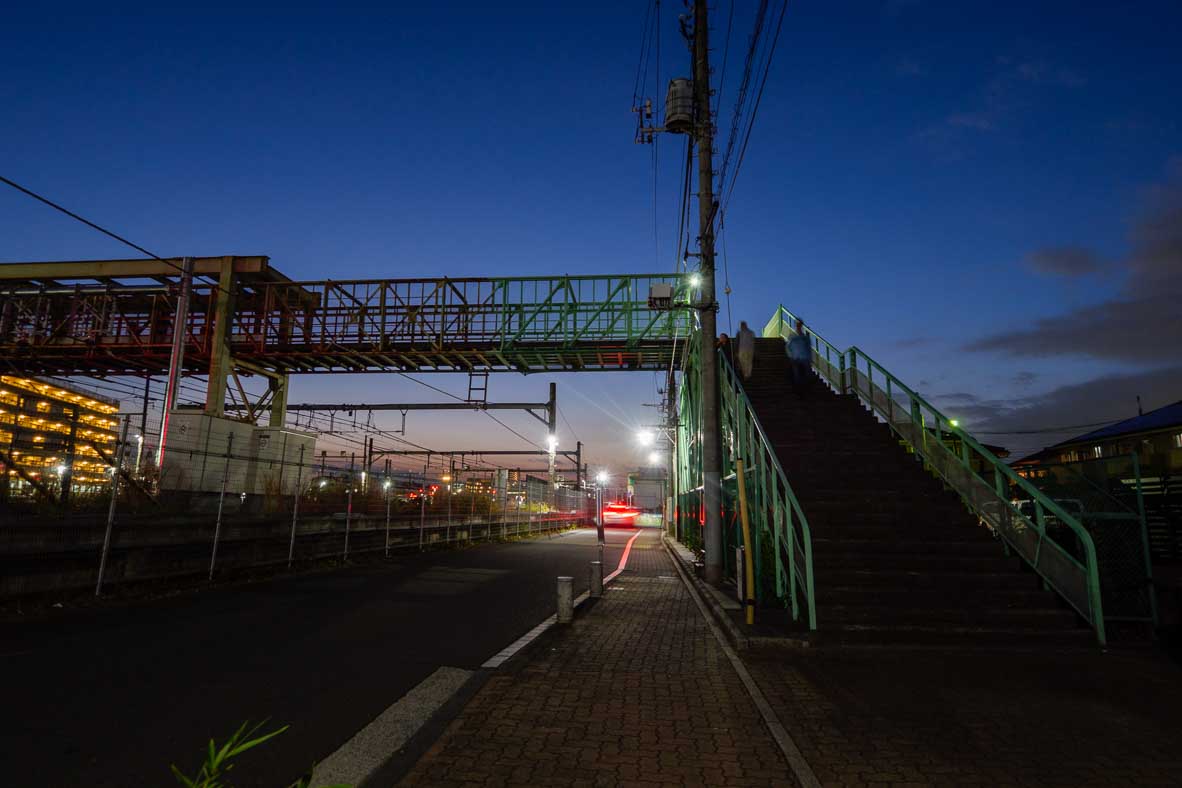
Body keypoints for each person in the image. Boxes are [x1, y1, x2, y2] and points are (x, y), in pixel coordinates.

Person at [786, 318, 812, 395]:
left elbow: (808, 348)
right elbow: (788, 347)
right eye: (797, 324)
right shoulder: (792, 336)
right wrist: (790, 356)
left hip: (805, 358)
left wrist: (810, 359)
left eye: (800, 324)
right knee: (797, 376)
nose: (798, 326)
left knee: (806, 376)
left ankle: (805, 391)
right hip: (796, 358)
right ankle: (798, 392)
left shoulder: (805, 338)